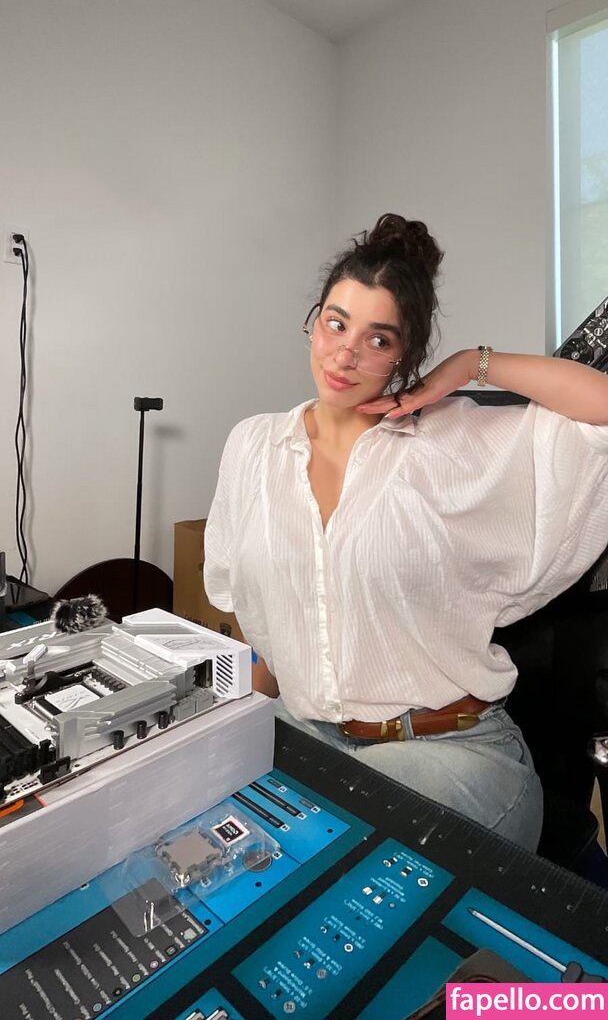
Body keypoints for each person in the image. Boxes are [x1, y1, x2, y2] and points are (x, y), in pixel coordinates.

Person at [204, 213, 608, 852]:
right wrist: (225, 736)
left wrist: (469, 365)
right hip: (314, 734)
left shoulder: (450, 440)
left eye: (378, 338)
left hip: (450, 752)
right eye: (336, 323)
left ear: (406, 354)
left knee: (319, 858)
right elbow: (267, 625)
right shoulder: (253, 445)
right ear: (314, 321)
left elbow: (601, 411)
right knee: (196, 824)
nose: (345, 354)